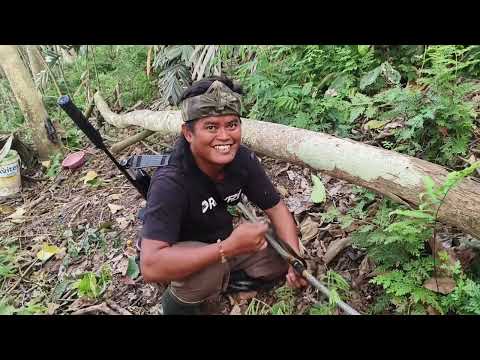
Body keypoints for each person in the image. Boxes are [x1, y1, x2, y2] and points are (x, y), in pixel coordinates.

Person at [140, 76, 307, 315]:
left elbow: (276, 208)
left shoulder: (241, 160)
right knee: (210, 271)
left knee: (280, 249)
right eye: (211, 127)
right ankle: (176, 305)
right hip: (181, 254)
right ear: (188, 133)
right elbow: (150, 266)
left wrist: (294, 259)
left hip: (225, 243)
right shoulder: (170, 182)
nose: (225, 137)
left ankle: (226, 279)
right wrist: (225, 249)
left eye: (231, 124)